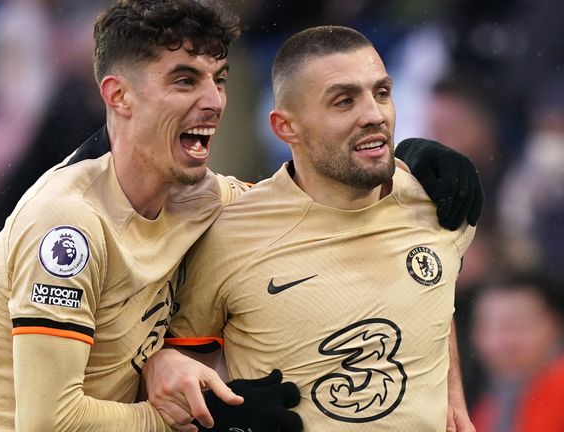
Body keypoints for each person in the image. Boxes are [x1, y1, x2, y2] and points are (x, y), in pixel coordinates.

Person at [0, 2, 483, 431]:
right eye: (184, 80)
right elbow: (47, 423)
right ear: (118, 95)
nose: (214, 100)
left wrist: (403, 158)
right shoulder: (67, 226)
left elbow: (314, 195)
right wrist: (204, 420)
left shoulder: (207, 199)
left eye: (218, 78)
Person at [144, 26, 477, 431]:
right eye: (344, 101)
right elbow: (175, 382)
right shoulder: (227, 236)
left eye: (382, 93)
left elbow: (438, 302)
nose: (373, 114)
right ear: (287, 127)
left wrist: (453, 395)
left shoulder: (438, 198)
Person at [470, 275, 564, 432]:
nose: (500, 343)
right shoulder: (501, 389)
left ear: (556, 325)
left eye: (517, 326)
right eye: (488, 327)